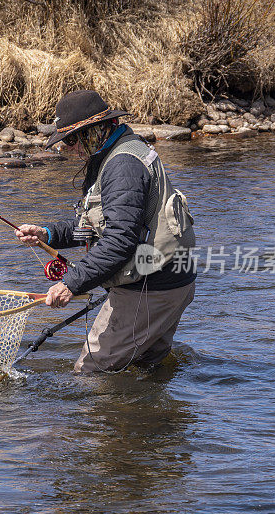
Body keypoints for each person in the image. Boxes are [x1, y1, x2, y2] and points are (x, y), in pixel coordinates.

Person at [15, 90, 197, 372]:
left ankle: (104, 416)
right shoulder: (119, 151)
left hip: (150, 289)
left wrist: (70, 284)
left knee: (91, 371)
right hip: (170, 282)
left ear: (96, 129)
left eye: (72, 139)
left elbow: (118, 241)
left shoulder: (122, 165)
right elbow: (96, 228)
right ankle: (149, 417)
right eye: (65, 141)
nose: (68, 148)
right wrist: (48, 234)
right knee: (146, 367)